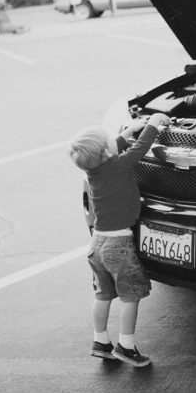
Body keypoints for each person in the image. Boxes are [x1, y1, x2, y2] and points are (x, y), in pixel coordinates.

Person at [69, 113, 171, 367]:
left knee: (103, 295)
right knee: (130, 297)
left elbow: (111, 148)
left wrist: (125, 133)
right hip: (119, 246)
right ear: (107, 153)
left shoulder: (94, 170)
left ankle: (100, 341)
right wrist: (153, 123)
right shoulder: (118, 165)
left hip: (97, 244)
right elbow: (140, 148)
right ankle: (126, 346)